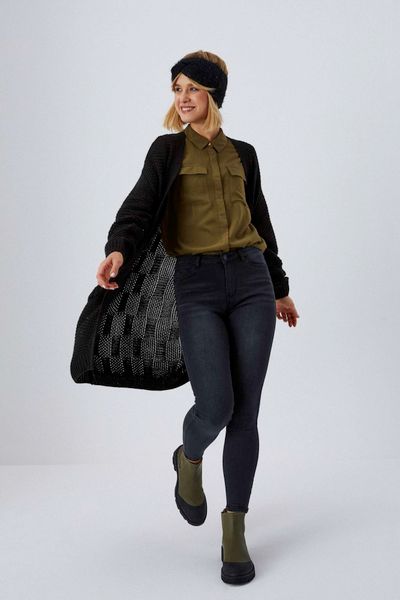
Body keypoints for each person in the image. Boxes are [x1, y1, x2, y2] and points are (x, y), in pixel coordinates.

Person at [95, 50, 299, 586]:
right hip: (198, 285)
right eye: (177, 88)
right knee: (216, 406)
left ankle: (235, 531)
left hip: (251, 280)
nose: (183, 98)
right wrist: (118, 248)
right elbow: (139, 206)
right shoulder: (167, 150)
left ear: (213, 94)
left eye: (193, 88)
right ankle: (189, 456)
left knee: (246, 411)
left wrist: (280, 289)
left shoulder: (244, 154)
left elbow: (261, 221)